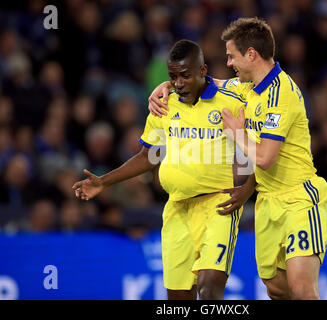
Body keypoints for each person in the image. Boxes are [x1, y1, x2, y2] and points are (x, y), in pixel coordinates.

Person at [148, 18, 327, 300]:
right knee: (275, 288)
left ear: (251, 54)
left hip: (300, 198)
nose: (230, 62)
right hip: (267, 202)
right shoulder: (247, 87)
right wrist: (167, 85)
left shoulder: (282, 94)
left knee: (301, 287)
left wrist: (236, 132)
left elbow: (266, 158)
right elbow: (209, 82)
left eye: (232, 56)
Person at [72, 39, 248, 300]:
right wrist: (104, 182)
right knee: (177, 298)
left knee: (209, 289)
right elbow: (148, 157)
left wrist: (248, 188)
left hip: (217, 207)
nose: (178, 83)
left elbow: (256, 148)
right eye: (173, 77)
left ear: (203, 71)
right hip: (177, 209)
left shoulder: (231, 101)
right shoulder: (163, 105)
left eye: (185, 76)